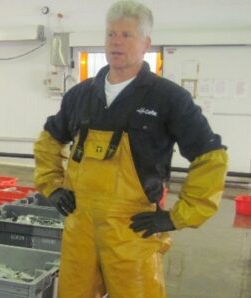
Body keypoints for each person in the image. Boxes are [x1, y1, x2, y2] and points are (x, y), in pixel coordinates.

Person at [34, 1, 228, 297]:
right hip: (80, 227)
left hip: (132, 229)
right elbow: (49, 141)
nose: (116, 41)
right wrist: (53, 186)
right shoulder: (80, 95)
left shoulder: (168, 98)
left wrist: (177, 216)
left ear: (146, 43)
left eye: (127, 35)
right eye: (111, 34)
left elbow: (210, 157)